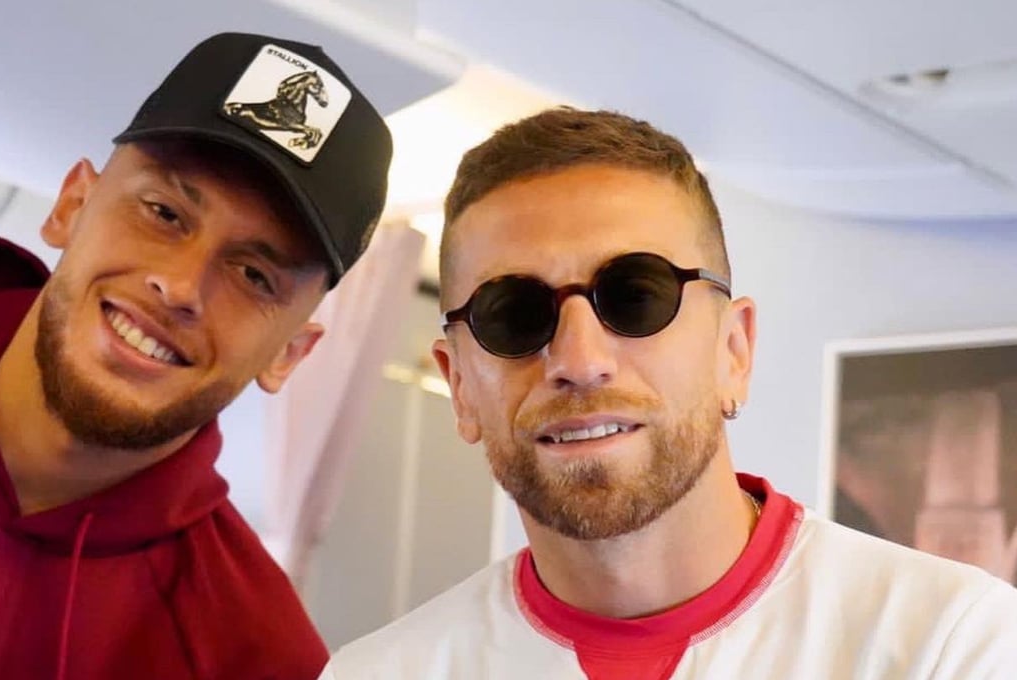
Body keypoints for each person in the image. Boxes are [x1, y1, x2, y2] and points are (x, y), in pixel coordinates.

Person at [319, 107, 1017, 679]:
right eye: (513, 315)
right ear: (460, 387)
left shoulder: (950, 645)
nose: (579, 360)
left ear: (733, 351)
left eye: (636, 296)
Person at [0, 31, 391, 680]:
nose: (181, 286)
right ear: (73, 205)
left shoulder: (257, 657)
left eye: (255, 275)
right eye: (164, 213)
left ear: (288, 353)